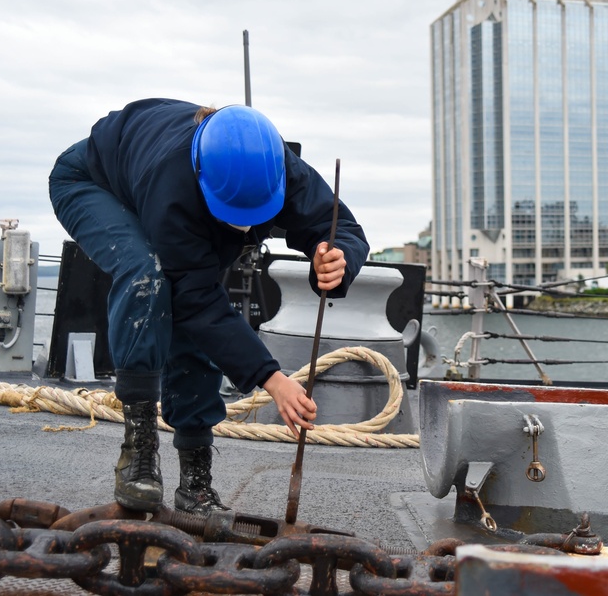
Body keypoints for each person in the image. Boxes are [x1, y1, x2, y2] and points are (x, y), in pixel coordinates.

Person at [48, 98, 369, 514]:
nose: (243, 226)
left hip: (163, 191)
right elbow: (196, 302)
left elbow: (340, 225)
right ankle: (140, 451)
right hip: (90, 183)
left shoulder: (278, 166)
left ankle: (195, 483)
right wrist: (272, 378)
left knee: (198, 310)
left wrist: (335, 256)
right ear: (202, 176)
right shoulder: (173, 184)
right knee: (149, 274)